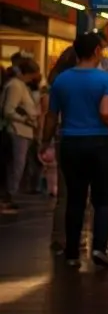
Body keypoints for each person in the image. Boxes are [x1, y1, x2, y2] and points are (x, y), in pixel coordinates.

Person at [41, 33, 108, 268]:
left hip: (71, 144)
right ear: (96, 50)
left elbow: (52, 117)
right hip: (99, 143)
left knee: (75, 199)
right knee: (102, 199)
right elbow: (106, 112)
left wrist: (44, 142)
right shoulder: (105, 80)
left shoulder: (62, 80)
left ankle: (72, 253)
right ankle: (99, 249)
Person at [45, 47, 78, 251]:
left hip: (63, 137)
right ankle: (78, 236)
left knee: (64, 194)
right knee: (84, 194)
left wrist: (44, 140)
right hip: (88, 139)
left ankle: (58, 237)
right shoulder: (96, 80)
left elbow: (51, 115)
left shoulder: (58, 83)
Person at [2, 57, 41, 214]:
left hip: (23, 131)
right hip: (18, 130)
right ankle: (8, 196)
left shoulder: (20, 85)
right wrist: (25, 119)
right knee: (16, 164)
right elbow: (8, 110)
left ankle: (10, 195)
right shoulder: (16, 86)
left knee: (18, 164)